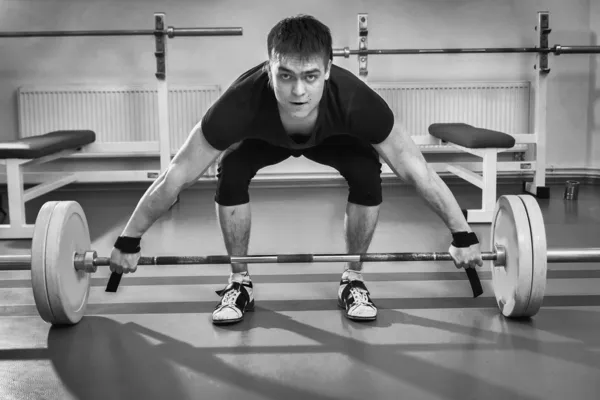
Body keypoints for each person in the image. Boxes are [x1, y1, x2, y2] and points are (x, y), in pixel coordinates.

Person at [109, 14, 483, 325]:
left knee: (368, 172)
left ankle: (352, 278)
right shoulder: (237, 105)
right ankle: (240, 281)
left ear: (328, 71)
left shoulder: (359, 103)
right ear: (269, 69)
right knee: (232, 170)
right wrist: (128, 240)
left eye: (310, 76)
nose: (298, 91)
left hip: (333, 138)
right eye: (285, 75)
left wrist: (463, 235)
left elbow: (417, 171)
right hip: (263, 138)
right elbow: (176, 175)